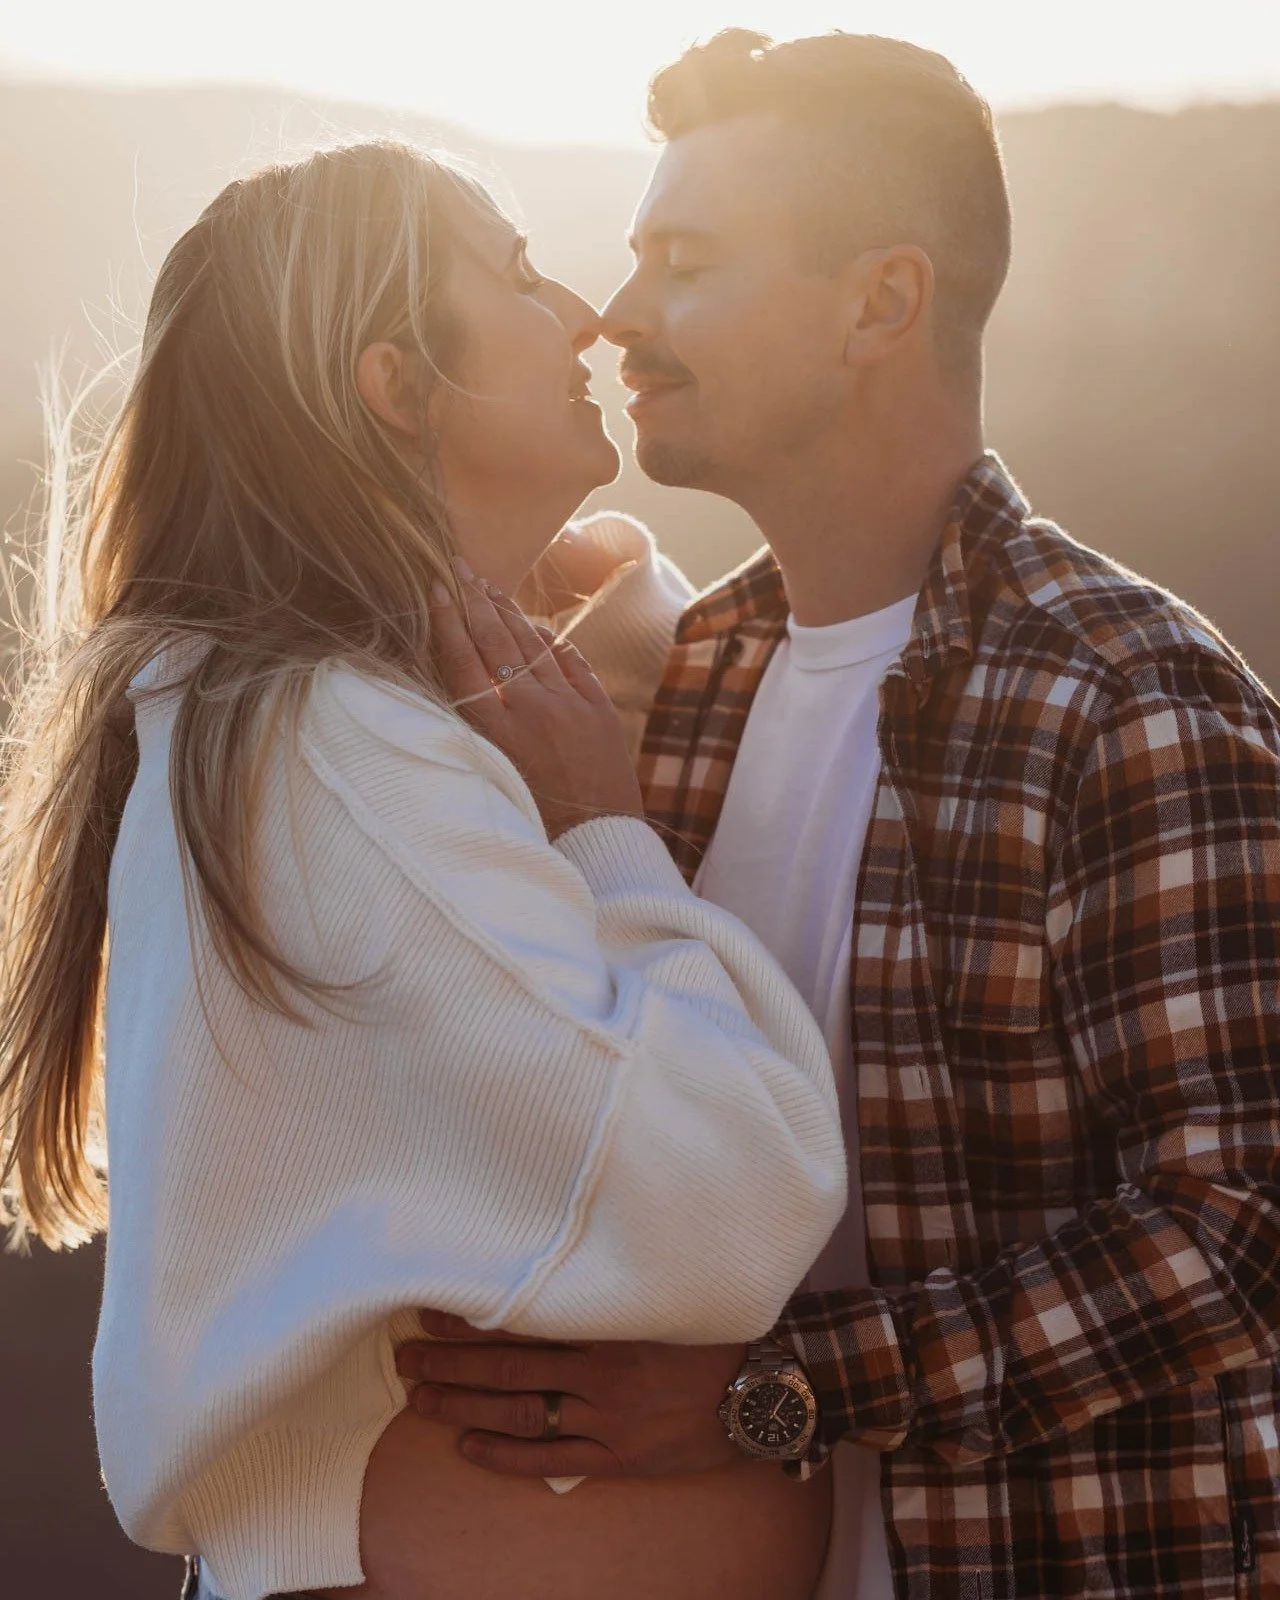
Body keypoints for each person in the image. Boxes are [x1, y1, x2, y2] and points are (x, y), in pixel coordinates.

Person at [391, 31, 1280, 1600]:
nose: (620, 314)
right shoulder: (700, 682)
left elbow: (1241, 1231)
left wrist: (777, 1391)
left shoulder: (1122, 699)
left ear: (882, 303)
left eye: (687, 262)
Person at [0, 141, 851, 1600]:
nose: (584, 312)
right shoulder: (339, 746)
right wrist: (605, 830)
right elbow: (734, 1189)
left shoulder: (316, 725)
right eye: (518, 275)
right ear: (398, 383)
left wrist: (621, 646)